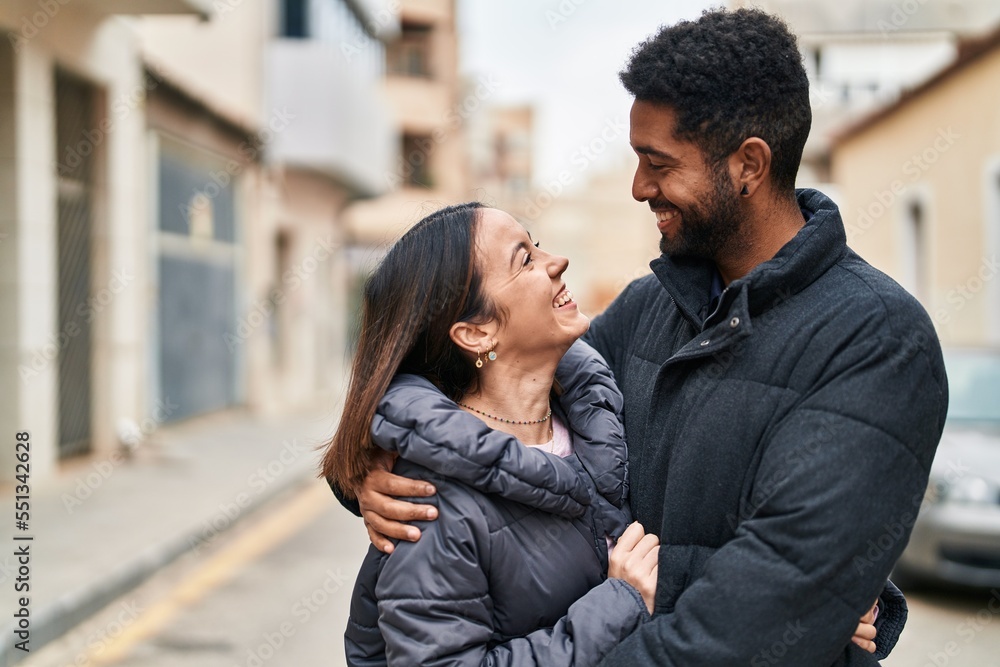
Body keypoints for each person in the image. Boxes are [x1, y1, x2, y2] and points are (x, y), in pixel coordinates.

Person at [342, 8, 947, 666]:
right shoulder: (644, 311)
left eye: (657, 163)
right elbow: (489, 407)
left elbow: (757, 616)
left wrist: (831, 594)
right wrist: (374, 467)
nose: (638, 187)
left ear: (748, 164)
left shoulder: (877, 340)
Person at [325, 203, 888, 666]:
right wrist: (616, 605)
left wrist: (821, 592)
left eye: (537, 243)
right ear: (476, 332)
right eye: (525, 259)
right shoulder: (426, 505)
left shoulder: (602, 413)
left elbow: (702, 515)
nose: (557, 261)